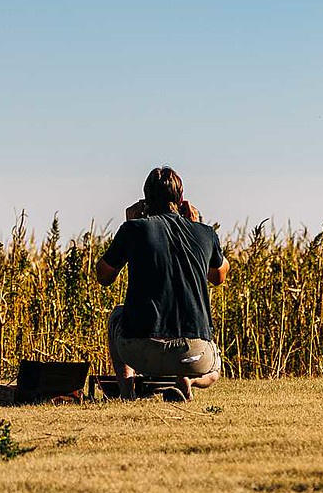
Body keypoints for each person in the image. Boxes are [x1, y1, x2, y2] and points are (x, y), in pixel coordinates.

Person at [95, 167, 229, 399]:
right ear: (181, 198)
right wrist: (198, 225)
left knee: (117, 315)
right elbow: (219, 276)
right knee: (214, 369)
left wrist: (132, 225)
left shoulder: (134, 229)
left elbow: (104, 276)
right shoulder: (205, 233)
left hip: (139, 352)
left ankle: (127, 391)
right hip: (194, 355)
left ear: (145, 200)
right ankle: (189, 380)